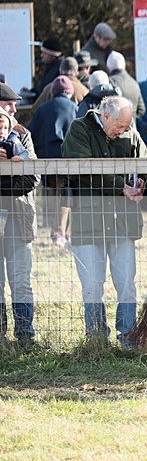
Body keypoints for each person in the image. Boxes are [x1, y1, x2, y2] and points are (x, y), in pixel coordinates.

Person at [61, 96, 147, 345]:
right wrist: (121, 187)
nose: (122, 130)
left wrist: (140, 182)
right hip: (88, 220)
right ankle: (96, 338)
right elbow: (83, 169)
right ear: (106, 115)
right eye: (119, 125)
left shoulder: (130, 134)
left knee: (126, 282)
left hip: (123, 220)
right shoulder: (79, 129)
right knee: (92, 282)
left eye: (126, 126)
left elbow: (146, 160)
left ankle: (128, 335)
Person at [0, 108, 39, 349]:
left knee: (20, 280)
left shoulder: (22, 139)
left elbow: (32, 178)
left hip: (18, 218)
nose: (12, 109)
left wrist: (12, 170)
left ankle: (25, 335)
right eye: (8, 104)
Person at [27, 76, 77, 248]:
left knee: (52, 195)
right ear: (69, 92)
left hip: (46, 159)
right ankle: (64, 233)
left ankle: (57, 232)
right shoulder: (75, 108)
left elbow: (31, 133)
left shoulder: (42, 109)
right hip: (68, 159)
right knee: (66, 195)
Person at [107, 51, 145, 118]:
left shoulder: (109, 82)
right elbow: (141, 109)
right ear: (124, 65)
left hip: (114, 126)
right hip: (131, 126)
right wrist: (131, 117)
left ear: (108, 67)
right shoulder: (134, 83)